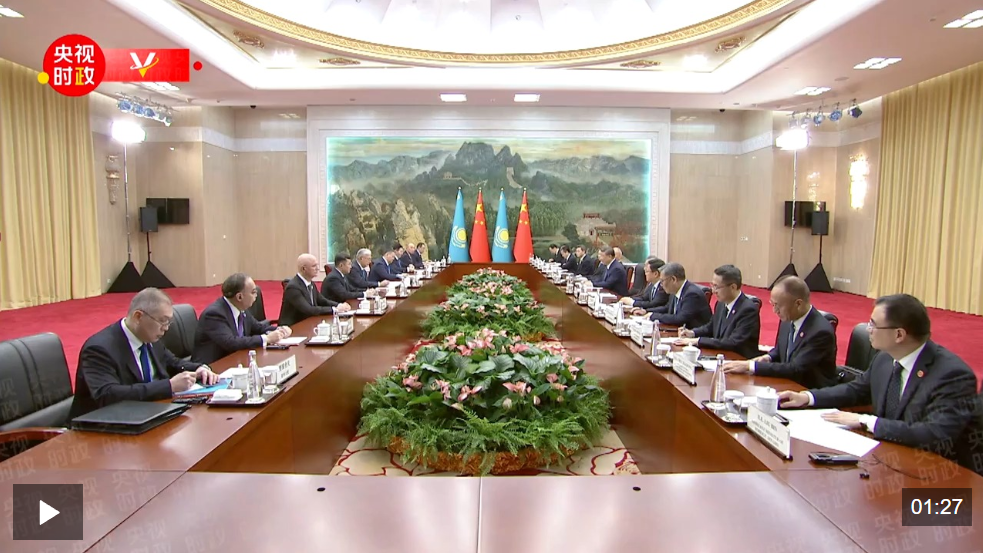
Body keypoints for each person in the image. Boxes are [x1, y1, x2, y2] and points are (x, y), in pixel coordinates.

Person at [779, 294, 982, 470]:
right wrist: (807, 397)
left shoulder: (952, 374)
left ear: (899, 334)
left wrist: (867, 421)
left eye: (873, 324)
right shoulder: (885, 358)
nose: (868, 329)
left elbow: (935, 434)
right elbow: (856, 390)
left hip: (934, 472)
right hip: (887, 458)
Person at [69, 288, 220, 418]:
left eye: (169, 322)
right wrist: (168, 386)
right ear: (138, 317)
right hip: (103, 425)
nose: (166, 328)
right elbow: (108, 395)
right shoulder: (99, 348)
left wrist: (198, 368)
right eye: (162, 321)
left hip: (147, 413)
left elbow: (172, 362)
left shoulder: (149, 337)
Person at [721, 276, 837, 389]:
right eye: (773, 304)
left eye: (778, 305)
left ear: (798, 304)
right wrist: (768, 357)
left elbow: (795, 368)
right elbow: (781, 349)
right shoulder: (789, 318)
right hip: (787, 383)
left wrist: (750, 366)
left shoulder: (820, 332)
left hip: (809, 390)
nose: (774, 310)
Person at [192, 273, 292, 365]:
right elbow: (231, 342)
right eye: (253, 292)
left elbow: (257, 327)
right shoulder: (214, 314)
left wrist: (280, 330)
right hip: (211, 368)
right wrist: (267, 338)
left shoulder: (240, 308)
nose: (256, 295)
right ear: (239, 297)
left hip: (235, 361)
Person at [676, 265, 760, 359]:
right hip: (720, 355)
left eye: (716, 287)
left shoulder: (748, 310)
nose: (713, 291)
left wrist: (698, 341)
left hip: (738, 359)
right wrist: (692, 333)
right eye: (712, 285)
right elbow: (711, 327)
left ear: (733, 287)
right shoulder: (721, 304)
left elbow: (732, 342)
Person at [279, 253, 351, 326]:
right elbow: (308, 310)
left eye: (317, 265)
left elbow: (322, 301)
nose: (317, 268)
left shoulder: (311, 283)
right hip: (293, 327)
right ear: (304, 269)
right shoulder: (293, 288)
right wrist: (334, 309)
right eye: (314, 266)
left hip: (309, 323)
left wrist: (339, 305)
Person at [647, 262, 712, 328]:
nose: (661, 285)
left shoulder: (692, 294)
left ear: (673, 279)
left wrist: (654, 316)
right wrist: (647, 312)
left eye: (662, 281)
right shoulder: (675, 290)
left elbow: (680, 319)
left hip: (693, 332)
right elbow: (667, 308)